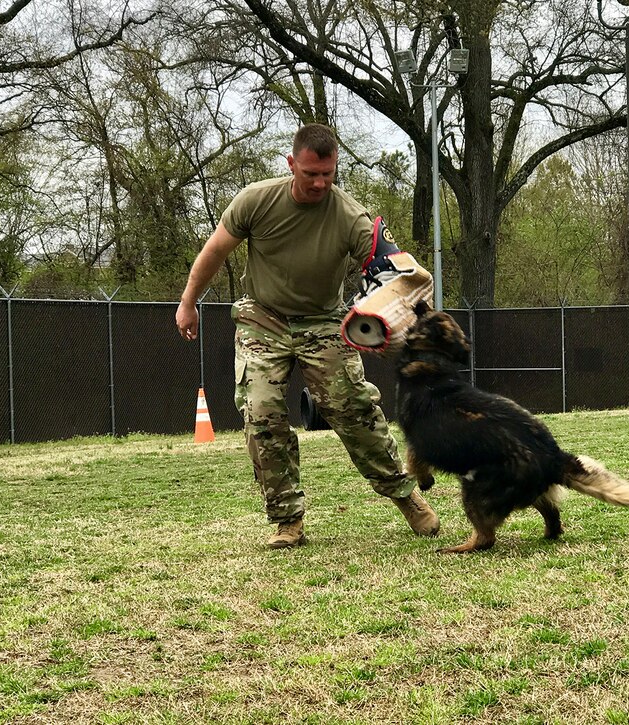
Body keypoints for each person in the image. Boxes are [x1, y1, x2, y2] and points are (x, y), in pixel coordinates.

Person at [174, 123, 440, 549]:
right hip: (264, 318)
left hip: (323, 321)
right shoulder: (256, 200)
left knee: (353, 411)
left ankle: (406, 498)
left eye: (328, 174)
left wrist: (398, 307)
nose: (319, 183)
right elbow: (215, 250)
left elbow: (394, 269)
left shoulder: (350, 216)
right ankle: (288, 520)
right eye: (310, 173)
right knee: (261, 415)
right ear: (291, 164)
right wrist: (188, 302)